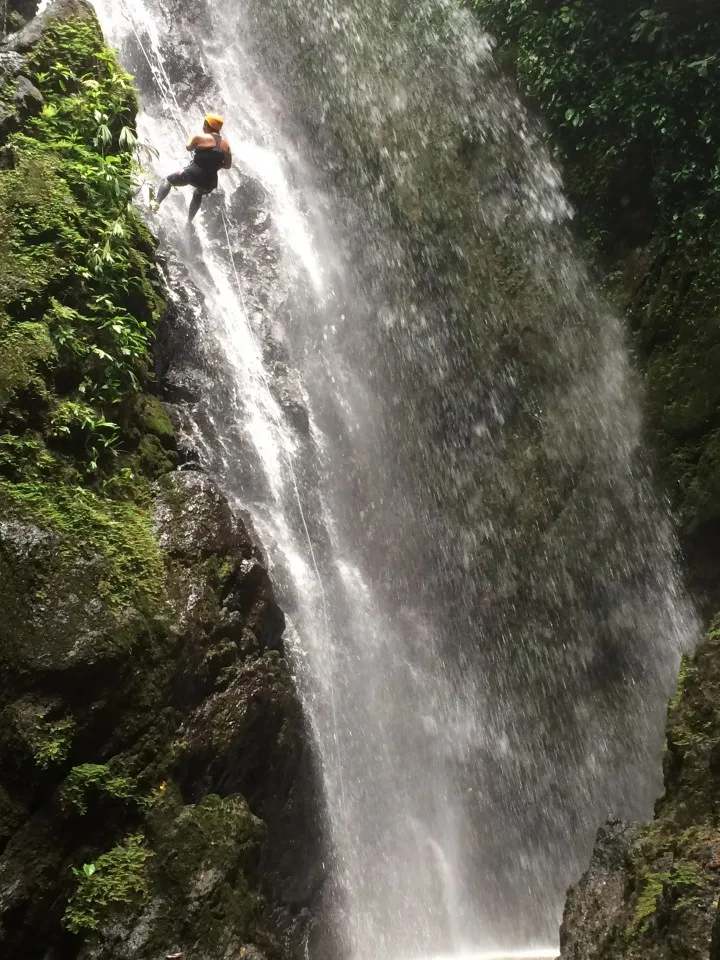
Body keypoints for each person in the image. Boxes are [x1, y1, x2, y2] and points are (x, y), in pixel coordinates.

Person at [152, 113, 232, 221]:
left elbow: (189, 148)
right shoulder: (226, 145)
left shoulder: (200, 138)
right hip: (210, 183)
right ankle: (189, 220)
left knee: (169, 180)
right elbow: (227, 165)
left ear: (206, 124)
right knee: (198, 193)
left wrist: (191, 144)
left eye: (204, 124)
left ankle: (156, 203)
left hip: (193, 174)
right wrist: (215, 163)